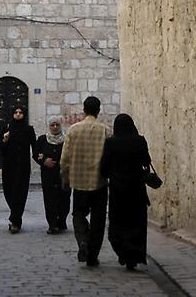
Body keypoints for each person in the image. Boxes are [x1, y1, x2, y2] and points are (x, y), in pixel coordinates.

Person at [59, 96, 110, 267]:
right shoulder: (105, 130)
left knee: (78, 214)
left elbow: (64, 159)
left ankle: (83, 240)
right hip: (99, 182)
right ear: (98, 110)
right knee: (98, 218)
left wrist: (65, 179)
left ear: (84, 110)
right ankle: (93, 255)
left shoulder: (73, 130)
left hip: (79, 182)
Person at [100, 113, 151, 270]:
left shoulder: (111, 143)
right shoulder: (140, 141)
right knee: (137, 221)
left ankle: (124, 252)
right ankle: (135, 255)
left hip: (118, 190)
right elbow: (146, 161)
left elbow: (104, 168)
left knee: (119, 221)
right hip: (137, 188)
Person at [0, 105, 36, 233]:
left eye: (21, 112)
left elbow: (35, 147)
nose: (18, 114)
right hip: (9, 166)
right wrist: (5, 140)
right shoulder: (7, 128)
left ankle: (15, 221)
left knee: (20, 193)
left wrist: (42, 158)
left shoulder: (28, 130)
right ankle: (15, 216)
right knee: (9, 192)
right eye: (16, 112)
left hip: (23, 167)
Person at [34, 116, 71, 234]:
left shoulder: (67, 139)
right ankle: (52, 224)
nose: (55, 127)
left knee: (64, 199)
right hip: (48, 175)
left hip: (64, 175)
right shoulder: (42, 139)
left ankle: (62, 221)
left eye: (57, 125)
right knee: (50, 199)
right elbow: (36, 153)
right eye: (52, 125)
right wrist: (44, 161)